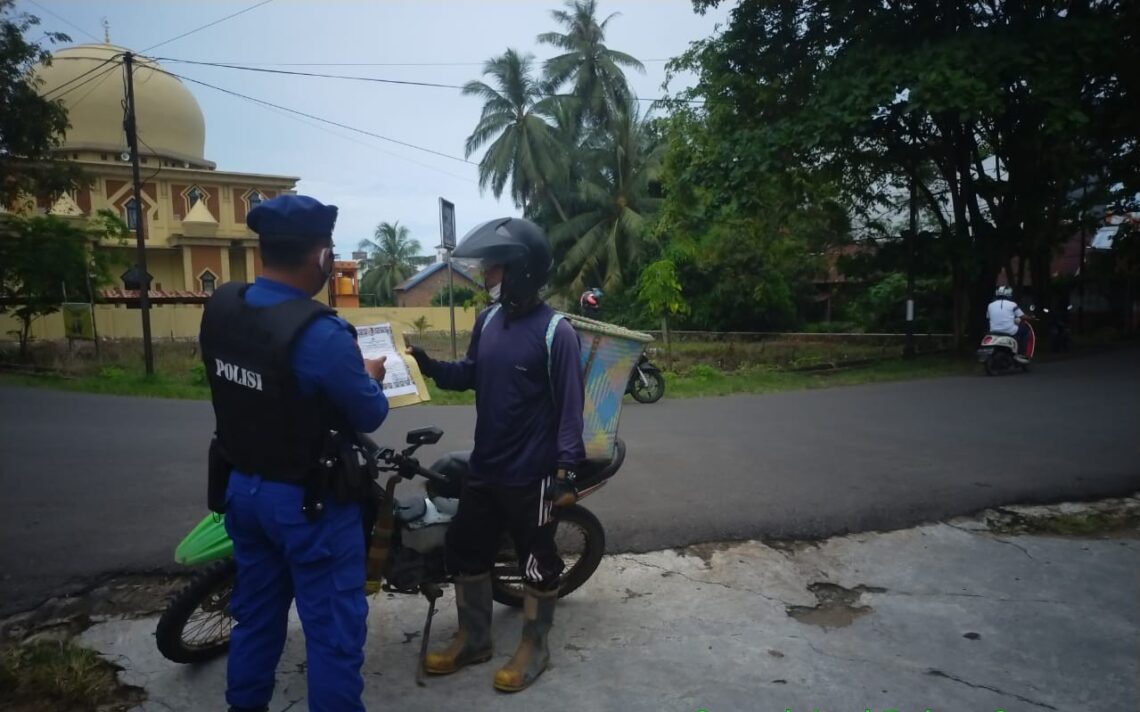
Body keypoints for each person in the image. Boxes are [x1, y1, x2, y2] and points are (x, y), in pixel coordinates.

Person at [198, 194, 390, 712]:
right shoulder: (321, 334)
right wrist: (368, 375)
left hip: (243, 493)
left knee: (256, 617)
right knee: (332, 635)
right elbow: (370, 414)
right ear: (322, 257)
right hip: (311, 507)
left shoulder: (221, 309)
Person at [406, 217, 585, 692]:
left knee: (536, 561)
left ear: (521, 270)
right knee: (465, 549)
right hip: (486, 467)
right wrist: (428, 366)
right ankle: (474, 638)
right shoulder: (488, 321)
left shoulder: (556, 333)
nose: (485, 276)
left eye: (493, 268)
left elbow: (571, 408)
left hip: (534, 476)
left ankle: (535, 646)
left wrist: (566, 473)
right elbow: (469, 374)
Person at [986, 285, 1030, 360]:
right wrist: (1030, 317)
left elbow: (988, 317)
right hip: (1009, 330)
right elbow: (1022, 316)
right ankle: (1022, 353)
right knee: (1025, 331)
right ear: (1009, 294)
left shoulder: (990, 305)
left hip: (993, 331)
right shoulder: (1013, 304)